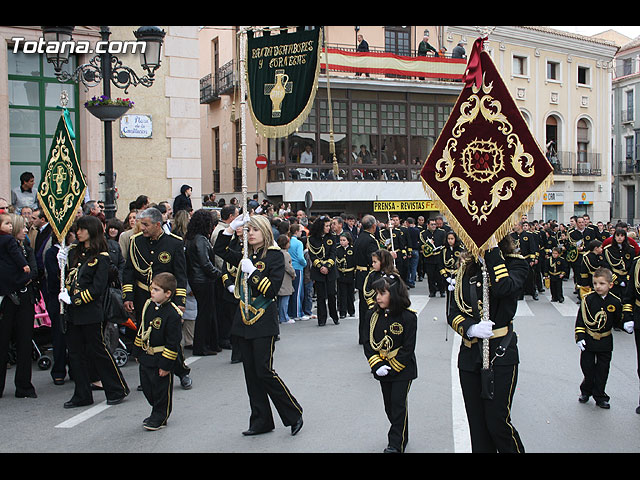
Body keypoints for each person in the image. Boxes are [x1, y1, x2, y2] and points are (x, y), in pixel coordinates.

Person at [214, 213, 304, 436]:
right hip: (243, 320)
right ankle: (261, 420)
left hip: (264, 320)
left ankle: (293, 413)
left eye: (254, 230)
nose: (250, 234)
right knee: (250, 374)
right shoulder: (246, 255)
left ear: (264, 231)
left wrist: (252, 272)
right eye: (247, 230)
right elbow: (219, 251)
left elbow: (272, 290)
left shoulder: (274, 256)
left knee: (264, 371)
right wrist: (228, 229)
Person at [447, 234, 527, 453]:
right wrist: (471, 328)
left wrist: (491, 252)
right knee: (478, 426)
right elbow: (453, 311)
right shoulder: (466, 268)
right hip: (471, 352)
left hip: (499, 353)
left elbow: (504, 288)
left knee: (497, 422)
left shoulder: (515, 263)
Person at [57, 215, 130, 408]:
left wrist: (76, 299)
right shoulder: (76, 253)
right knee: (75, 353)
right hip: (73, 312)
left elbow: (98, 288)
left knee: (98, 351)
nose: (78, 233)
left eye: (82, 229)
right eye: (77, 229)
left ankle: (116, 388)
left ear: (92, 231)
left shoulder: (101, 257)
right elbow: (71, 280)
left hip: (90, 311)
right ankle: (82, 394)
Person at [122, 207, 192, 390]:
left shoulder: (174, 243)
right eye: (141, 224)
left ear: (157, 225)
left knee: (169, 337)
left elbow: (180, 275)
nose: (142, 228)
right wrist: (128, 295)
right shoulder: (135, 242)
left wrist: (180, 301)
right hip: (143, 296)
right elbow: (129, 270)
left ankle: (182, 371)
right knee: (146, 336)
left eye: (146, 225)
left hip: (166, 298)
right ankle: (149, 372)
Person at [363, 273, 417, 453]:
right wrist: (377, 365)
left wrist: (393, 368)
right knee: (390, 407)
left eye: (382, 293)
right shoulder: (372, 315)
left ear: (394, 294)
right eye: (377, 293)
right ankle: (403, 433)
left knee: (398, 402)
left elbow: (408, 349)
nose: (378, 297)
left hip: (403, 369)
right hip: (382, 366)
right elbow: (368, 343)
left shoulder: (408, 317)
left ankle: (395, 444)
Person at [575, 267, 632, 409]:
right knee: (588, 369)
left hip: (605, 341)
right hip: (589, 340)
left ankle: (600, 396)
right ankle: (586, 390)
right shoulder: (587, 299)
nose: (597, 287)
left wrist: (626, 324)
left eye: (601, 284)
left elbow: (617, 321)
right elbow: (581, 320)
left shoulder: (615, 302)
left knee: (602, 370)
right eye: (595, 283)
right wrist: (580, 336)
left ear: (610, 285)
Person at [133, 272, 183, 430]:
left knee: (161, 390)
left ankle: (160, 416)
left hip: (161, 357)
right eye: (152, 288)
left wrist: (166, 365)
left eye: (156, 290)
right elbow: (143, 328)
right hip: (147, 355)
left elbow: (173, 342)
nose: (152, 292)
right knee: (148, 387)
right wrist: (137, 351)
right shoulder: (149, 306)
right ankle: (155, 410)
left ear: (168, 293)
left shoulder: (172, 314)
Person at [0, 213, 38, 398]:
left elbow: (34, 272)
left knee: (25, 343)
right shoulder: (4, 246)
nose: (25, 231)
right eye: (21, 227)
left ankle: (23, 386)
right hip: (6, 300)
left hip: (25, 300)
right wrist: (20, 280)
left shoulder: (27, 250)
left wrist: (22, 279)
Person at [185, 209, 222, 356]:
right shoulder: (200, 239)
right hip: (203, 280)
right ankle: (202, 346)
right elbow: (205, 263)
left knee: (206, 312)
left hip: (198, 279)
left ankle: (209, 344)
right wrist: (219, 274)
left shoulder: (192, 238)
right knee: (205, 313)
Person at [308, 215, 339, 326]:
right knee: (321, 296)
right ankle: (322, 319)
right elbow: (312, 255)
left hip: (330, 270)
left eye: (329, 225)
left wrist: (327, 266)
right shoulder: (311, 239)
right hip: (318, 270)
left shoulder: (332, 237)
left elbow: (333, 253)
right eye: (326, 226)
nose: (328, 228)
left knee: (332, 294)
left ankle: (334, 316)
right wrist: (320, 266)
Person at [355, 214, 381, 344]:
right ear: (373, 226)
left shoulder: (359, 238)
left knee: (363, 307)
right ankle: (368, 336)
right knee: (371, 307)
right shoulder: (371, 240)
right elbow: (374, 260)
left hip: (360, 275)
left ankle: (362, 336)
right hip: (369, 276)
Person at [287, 223, 307, 321]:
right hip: (298, 268)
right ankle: (298, 313)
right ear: (296, 232)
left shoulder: (288, 241)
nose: (301, 233)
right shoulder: (299, 243)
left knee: (291, 291)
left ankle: (290, 312)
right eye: (300, 231)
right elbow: (300, 257)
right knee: (298, 291)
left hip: (289, 267)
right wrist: (305, 263)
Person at [276, 234, 296, 324]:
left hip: (279, 277)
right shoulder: (286, 254)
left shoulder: (277, 253)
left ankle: (281, 316)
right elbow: (288, 267)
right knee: (285, 299)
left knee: (280, 299)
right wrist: (293, 273)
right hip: (285, 278)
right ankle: (284, 317)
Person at [336, 231, 356, 319]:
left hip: (350, 274)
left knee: (350, 294)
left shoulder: (352, 249)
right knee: (342, 294)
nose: (342, 242)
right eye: (341, 240)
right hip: (341, 274)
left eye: (344, 240)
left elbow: (355, 261)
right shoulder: (337, 249)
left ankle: (351, 310)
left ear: (348, 241)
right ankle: (342, 312)